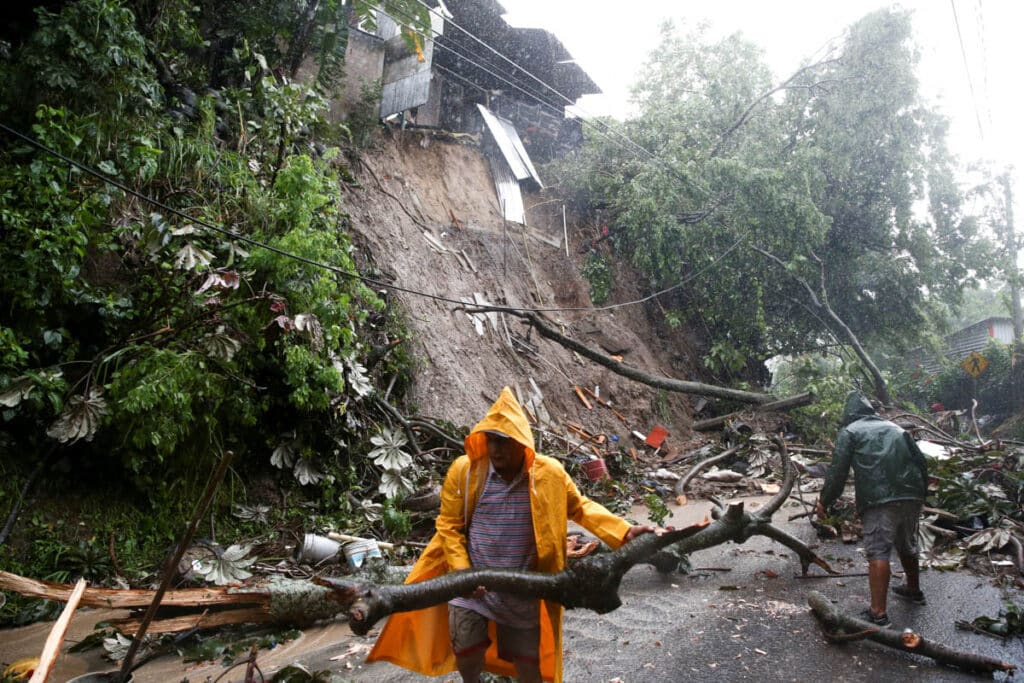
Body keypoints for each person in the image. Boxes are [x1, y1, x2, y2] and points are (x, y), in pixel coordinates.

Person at [366, 387, 655, 682]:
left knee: (529, 666)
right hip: (472, 586)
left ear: (523, 444)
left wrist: (624, 531)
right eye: (491, 440)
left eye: (504, 441)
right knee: (466, 649)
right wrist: (462, 574)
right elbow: (448, 527)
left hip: (523, 586)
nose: (496, 449)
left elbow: (580, 508)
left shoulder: (550, 475)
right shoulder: (466, 472)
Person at [816, 391, 929, 627]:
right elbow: (921, 461)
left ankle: (878, 614)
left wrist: (824, 501)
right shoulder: (897, 429)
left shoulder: (851, 431)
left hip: (880, 498)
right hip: (912, 494)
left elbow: (837, 472)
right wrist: (920, 494)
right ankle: (913, 589)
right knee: (907, 543)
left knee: (878, 551)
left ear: (849, 415)